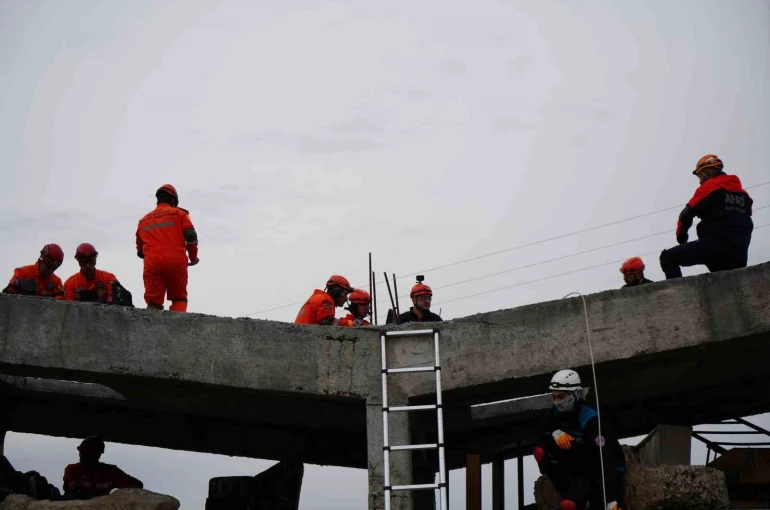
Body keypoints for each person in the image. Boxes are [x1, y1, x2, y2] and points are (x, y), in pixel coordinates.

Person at [534, 370, 626, 510]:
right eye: (554, 397)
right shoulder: (559, 411)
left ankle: (587, 499)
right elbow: (545, 429)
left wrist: (612, 500)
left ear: (575, 394)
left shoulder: (591, 418)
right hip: (580, 462)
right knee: (541, 449)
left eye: (561, 397)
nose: (557, 402)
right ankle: (568, 494)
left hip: (600, 466)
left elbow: (606, 459)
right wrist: (556, 432)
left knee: (581, 498)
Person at [660, 154, 753, 279]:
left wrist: (681, 236)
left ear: (707, 172)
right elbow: (746, 219)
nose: (700, 181)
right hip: (739, 253)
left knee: (668, 257)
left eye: (700, 176)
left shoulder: (709, 187)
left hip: (714, 246)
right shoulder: (744, 195)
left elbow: (685, 215)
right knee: (724, 282)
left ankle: (676, 296)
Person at [136, 184, 199, 312]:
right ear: (173, 200)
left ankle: (152, 329)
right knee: (179, 298)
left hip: (152, 263)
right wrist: (193, 257)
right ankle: (177, 329)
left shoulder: (143, 220)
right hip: (176, 261)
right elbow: (191, 235)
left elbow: (140, 251)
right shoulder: (179, 213)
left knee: (153, 302)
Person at [62, 436, 143, 500]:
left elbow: (136, 485)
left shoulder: (111, 471)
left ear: (97, 454)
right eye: (81, 452)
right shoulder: (73, 469)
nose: (81, 456)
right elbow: (68, 484)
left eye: (86, 453)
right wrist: (78, 490)